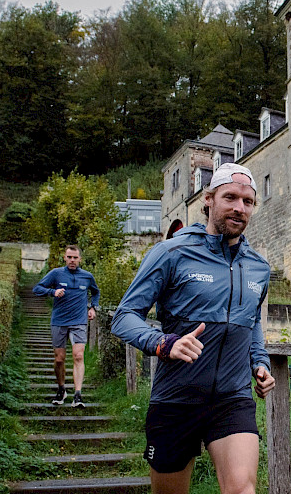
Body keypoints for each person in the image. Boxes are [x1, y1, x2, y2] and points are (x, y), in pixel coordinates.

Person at [111, 162, 275, 494]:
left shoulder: (258, 267)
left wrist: (260, 362)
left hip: (232, 398)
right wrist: (163, 343)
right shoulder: (171, 252)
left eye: (248, 202)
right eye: (230, 198)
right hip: (176, 399)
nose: (239, 208)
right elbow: (124, 316)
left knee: (242, 490)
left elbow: (252, 321)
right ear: (208, 199)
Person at [32, 245, 100, 407]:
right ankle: (61, 389)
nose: (72, 260)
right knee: (59, 359)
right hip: (59, 321)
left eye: (75, 257)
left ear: (79, 259)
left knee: (78, 355)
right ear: (65, 258)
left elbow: (95, 292)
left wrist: (93, 307)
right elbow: (37, 288)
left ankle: (78, 395)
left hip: (79, 321)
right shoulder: (56, 273)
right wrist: (52, 292)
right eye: (69, 257)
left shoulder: (87, 276)